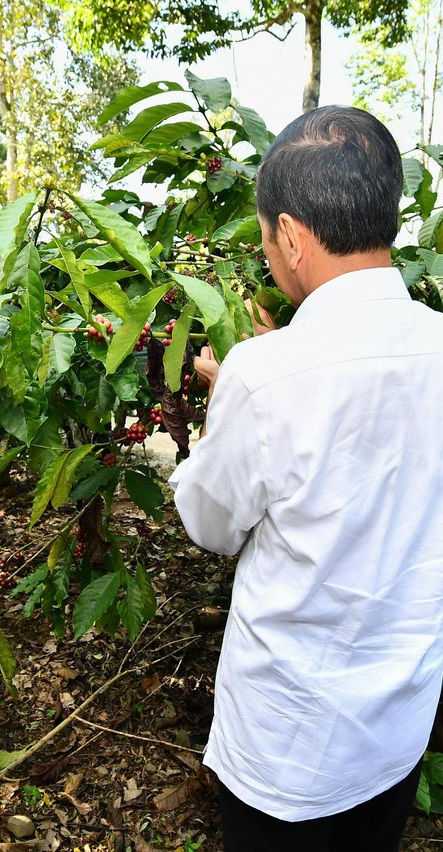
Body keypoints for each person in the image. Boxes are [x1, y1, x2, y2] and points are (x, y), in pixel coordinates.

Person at [169, 105, 443, 852]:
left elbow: (210, 523)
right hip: (396, 731)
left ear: (289, 234)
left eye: (264, 238)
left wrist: (237, 394)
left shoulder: (263, 376)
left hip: (287, 753)